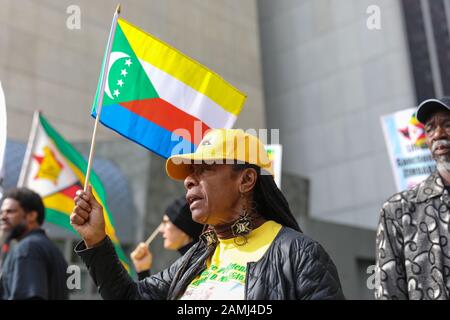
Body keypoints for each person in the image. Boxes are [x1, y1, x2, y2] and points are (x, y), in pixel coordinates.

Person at [71, 129, 344, 300]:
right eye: (190, 173)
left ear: (246, 180)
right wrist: (97, 240)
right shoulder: (197, 257)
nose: (189, 180)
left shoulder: (299, 254)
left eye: (204, 168)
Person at [376, 96, 450, 300]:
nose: (438, 134)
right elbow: (388, 291)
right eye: (429, 129)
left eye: (447, 125)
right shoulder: (398, 210)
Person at [0, 188, 68, 300]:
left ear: (31, 216)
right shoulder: (48, 247)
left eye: (10, 211)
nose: (3, 217)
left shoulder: (28, 248)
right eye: (2, 212)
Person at [130, 197, 203, 280]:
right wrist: (142, 271)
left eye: (166, 222)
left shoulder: (193, 267)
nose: (161, 230)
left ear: (183, 228)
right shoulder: (189, 263)